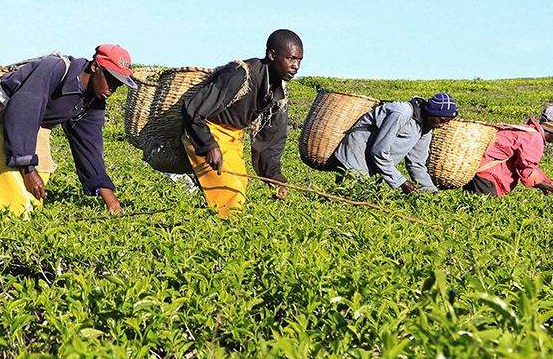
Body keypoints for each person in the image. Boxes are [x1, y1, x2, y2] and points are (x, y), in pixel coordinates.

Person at [0, 45, 136, 216]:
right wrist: (27, 168)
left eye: (118, 84)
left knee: (36, 194)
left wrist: (110, 199)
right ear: (95, 67)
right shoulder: (55, 69)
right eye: (111, 80)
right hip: (5, 120)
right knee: (11, 203)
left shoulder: (92, 101)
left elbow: (89, 147)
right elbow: (23, 111)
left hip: (36, 128)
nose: (113, 88)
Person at [181, 29, 303, 218]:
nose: (296, 66)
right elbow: (193, 110)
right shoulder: (239, 75)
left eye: (299, 60)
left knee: (239, 188)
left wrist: (276, 178)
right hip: (206, 132)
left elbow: (271, 141)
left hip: (232, 138)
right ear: (272, 55)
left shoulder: (278, 94)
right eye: (291, 59)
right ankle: (221, 236)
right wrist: (209, 145)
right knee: (229, 190)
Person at [332, 93, 458, 193]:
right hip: (355, 158)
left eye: (446, 122)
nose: (442, 125)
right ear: (432, 113)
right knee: (351, 198)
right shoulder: (401, 113)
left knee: (370, 201)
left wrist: (431, 192)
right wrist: (402, 182)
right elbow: (378, 151)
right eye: (441, 120)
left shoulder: (427, 127)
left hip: (375, 167)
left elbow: (416, 163)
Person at [463, 106, 553, 198]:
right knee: (482, 215)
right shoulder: (534, 139)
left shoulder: (526, 131)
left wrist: (549, 183)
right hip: (486, 178)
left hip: (476, 173)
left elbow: (528, 165)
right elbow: (526, 172)